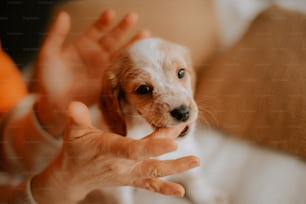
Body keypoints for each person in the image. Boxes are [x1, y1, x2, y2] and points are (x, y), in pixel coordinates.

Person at [0, 9, 200, 203]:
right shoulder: (114, 124)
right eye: (143, 90)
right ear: (115, 100)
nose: (181, 107)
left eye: (181, 74)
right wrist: (60, 185)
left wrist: (51, 113)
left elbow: (6, 127)